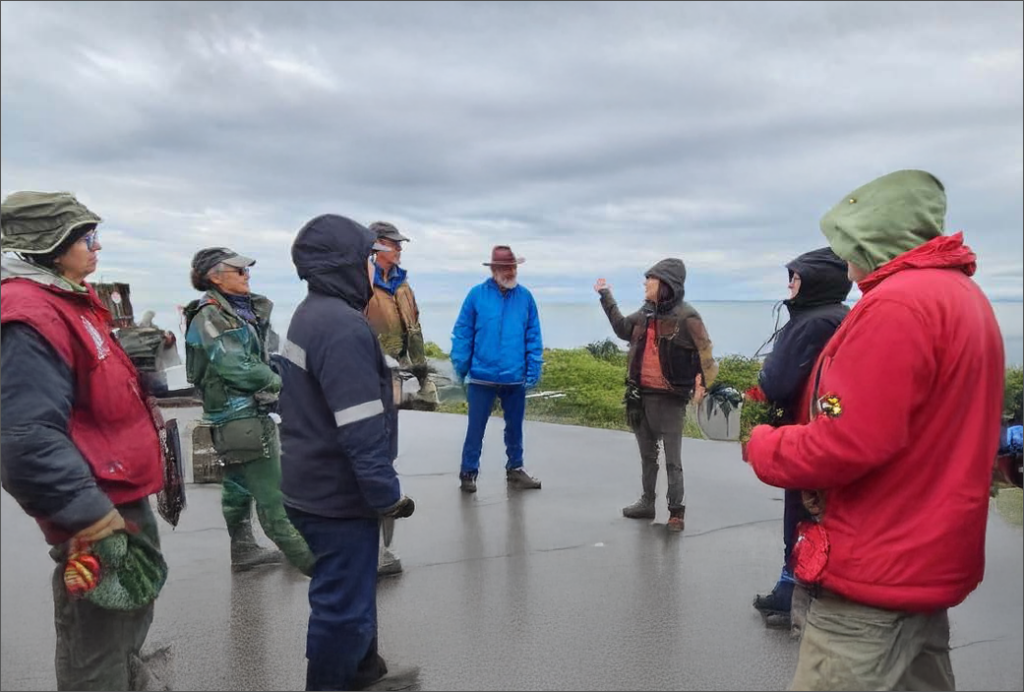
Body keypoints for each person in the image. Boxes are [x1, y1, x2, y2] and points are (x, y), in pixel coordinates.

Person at [745, 170, 1004, 691]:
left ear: (874, 239)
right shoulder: (964, 297)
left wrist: (765, 445)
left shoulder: (896, 306)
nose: (845, 260)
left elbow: (847, 441)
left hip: (875, 569)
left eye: (850, 244)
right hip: (925, 560)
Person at [1, 191, 167, 690]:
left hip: (115, 494)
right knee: (95, 646)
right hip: (96, 506)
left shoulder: (68, 300)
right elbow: (24, 435)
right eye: (87, 238)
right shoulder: (28, 313)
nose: (97, 247)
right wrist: (90, 518)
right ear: (51, 247)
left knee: (125, 618)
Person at [277, 213, 418, 691]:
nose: (371, 268)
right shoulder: (342, 327)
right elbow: (360, 428)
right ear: (344, 265)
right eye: (366, 259)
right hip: (337, 495)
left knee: (356, 591)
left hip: (311, 480)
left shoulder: (310, 312)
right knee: (343, 613)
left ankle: (363, 674)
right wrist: (386, 495)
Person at [184, 247, 315, 576]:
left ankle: (243, 549)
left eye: (246, 270)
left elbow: (272, 349)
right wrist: (280, 383)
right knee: (275, 499)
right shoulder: (210, 317)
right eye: (239, 270)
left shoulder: (242, 311)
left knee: (238, 485)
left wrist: (301, 368)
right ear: (215, 277)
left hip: (235, 418)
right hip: (241, 417)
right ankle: (323, 568)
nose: (247, 275)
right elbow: (237, 367)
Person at [748, 248, 851, 628]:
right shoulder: (841, 315)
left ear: (814, 281)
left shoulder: (812, 322)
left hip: (803, 428)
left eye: (795, 277)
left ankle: (795, 594)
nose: (790, 285)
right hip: (828, 422)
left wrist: (763, 378)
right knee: (817, 512)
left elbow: (777, 381)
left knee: (801, 512)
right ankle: (791, 587)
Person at [595, 258, 718, 532]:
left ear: (664, 283)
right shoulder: (645, 313)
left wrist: (702, 385)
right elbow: (622, 328)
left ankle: (676, 512)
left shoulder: (687, 317)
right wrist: (606, 296)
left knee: (673, 459)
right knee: (647, 456)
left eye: (649, 278)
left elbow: (706, 354)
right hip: (640, 396)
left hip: (671, 398)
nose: (645, 283)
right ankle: (647, 502)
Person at [451, 245, 544, 493]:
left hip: (514, 376)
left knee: (515, 428)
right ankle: (468, 472)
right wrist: (461, 367)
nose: (511, 271)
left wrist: (534, 367)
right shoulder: (476, 296)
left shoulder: (525, 298)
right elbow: (463, 333)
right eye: (505, 268)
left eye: (513, 267)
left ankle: (515, 469)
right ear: (494, 270)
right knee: (475, 428)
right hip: (482, 376)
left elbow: (533, 335)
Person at [365, 220, 438, 407]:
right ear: (377, 245)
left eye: (400, 244)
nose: (400, 249)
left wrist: (422, 374)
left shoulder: (403, 286)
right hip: (372, 370)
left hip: (403, 370)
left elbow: (415, 330)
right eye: (394, 244)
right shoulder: (362, 283)